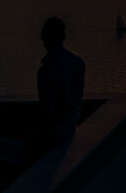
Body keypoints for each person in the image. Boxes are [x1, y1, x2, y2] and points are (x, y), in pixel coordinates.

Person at [30, 17, 86, 160]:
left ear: (45, 37)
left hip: (54, 131)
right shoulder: (78, 62)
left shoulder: (47, 69)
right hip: (73, 126)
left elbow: (46, 107)